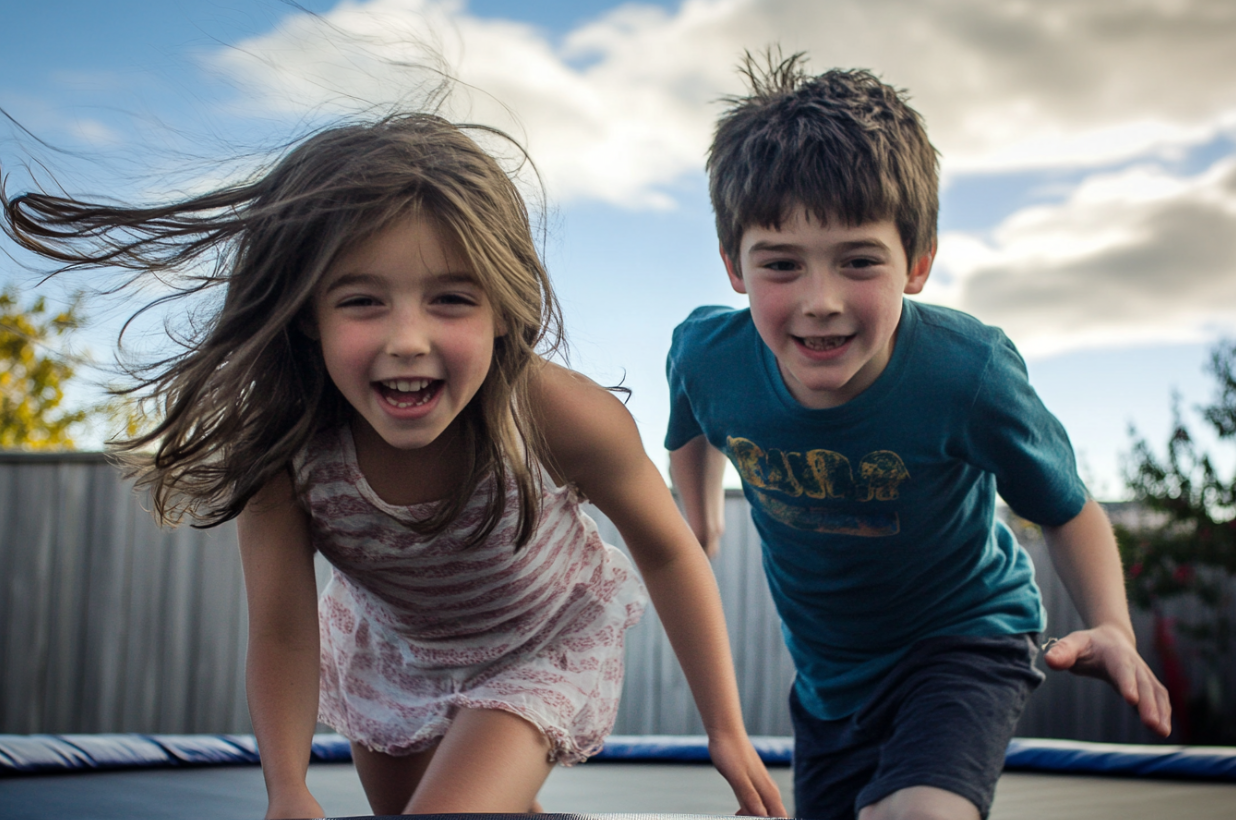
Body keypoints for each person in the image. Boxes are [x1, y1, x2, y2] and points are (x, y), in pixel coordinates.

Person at [3, 113, 785, 819]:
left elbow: (667, 547)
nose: (407, 339)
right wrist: (287, 789)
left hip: (538, 643)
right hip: (394, 653)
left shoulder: (554, 414)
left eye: (450, 300)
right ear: (306, 315)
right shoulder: (286, 449)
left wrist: (725, 729)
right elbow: (280, 627)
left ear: (504, 309)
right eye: (362, 302)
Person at [666, 54, 1172, 820]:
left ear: (918, 263)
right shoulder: (708, 356)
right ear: (734, 266)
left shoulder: (965, 373)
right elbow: (692, 429)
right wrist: (698, 526)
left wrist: (1110, 623)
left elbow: (1068, 509)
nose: (821, 301)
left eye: (858, 261)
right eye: (781, 265)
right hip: (830, 680)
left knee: (921, 814)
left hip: (965, 639)